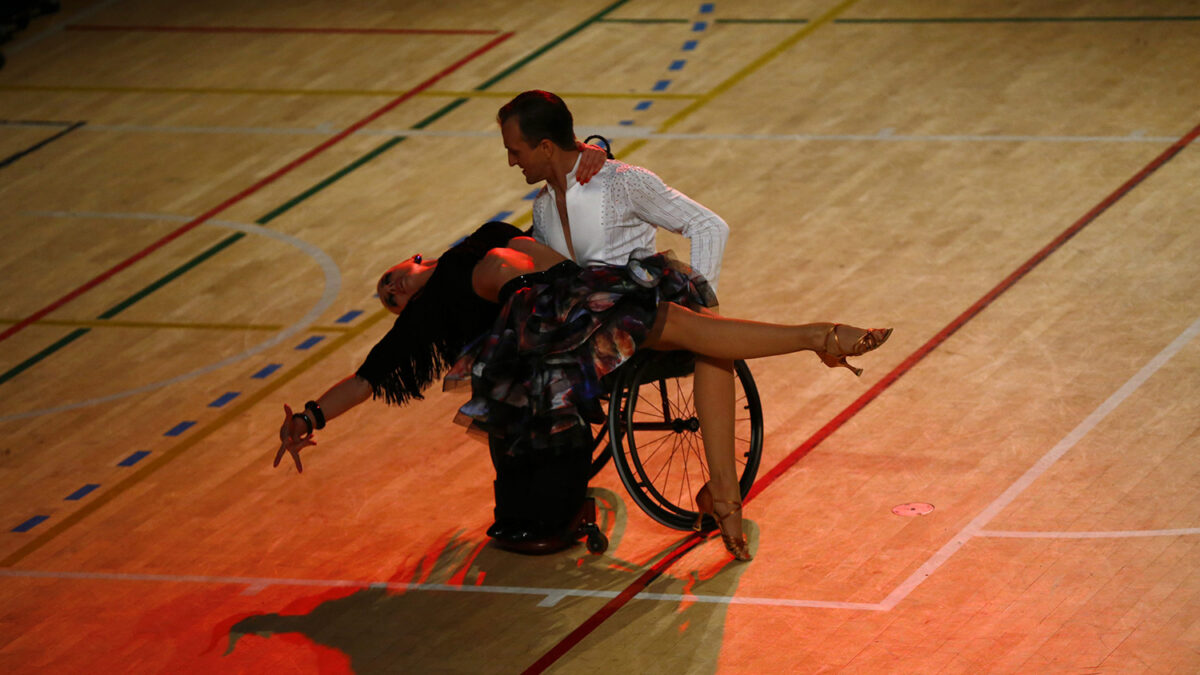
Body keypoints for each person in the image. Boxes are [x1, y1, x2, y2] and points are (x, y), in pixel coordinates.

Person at [275, 223, 892, 561]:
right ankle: (814, 342)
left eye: (391, 283)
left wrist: (586, 293)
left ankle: (817, 337)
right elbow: (367, 378)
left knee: (694, 332)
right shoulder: (423, 322)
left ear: (412, 259)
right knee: (697, 334)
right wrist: (310, 415)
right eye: (388, 303)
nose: (393, 296)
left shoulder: (481, 241)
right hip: (562, 331)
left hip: (573, 312)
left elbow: (551, 260)